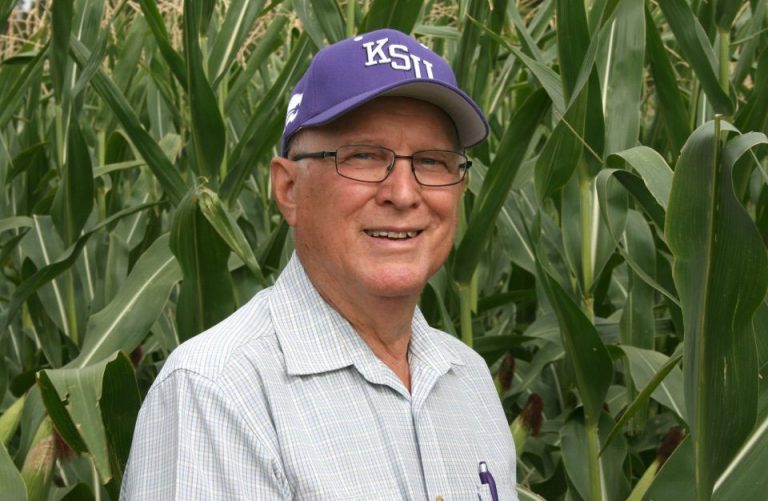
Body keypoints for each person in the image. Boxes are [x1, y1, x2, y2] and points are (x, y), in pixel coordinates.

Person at [121, 28, 518, 500]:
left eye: (432, 162)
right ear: (289, 190)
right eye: (366, 156)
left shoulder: (469, 380)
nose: (404, 193)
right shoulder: (216, 395)